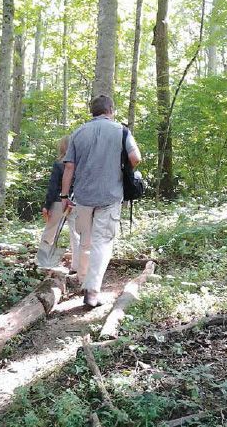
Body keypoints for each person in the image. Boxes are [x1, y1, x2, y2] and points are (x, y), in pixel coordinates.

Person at [61, 95, 141, 307]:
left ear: (92, 112)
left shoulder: (78, 133)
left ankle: (84, 280)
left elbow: (69, 167)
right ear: (111, 110)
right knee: (102, 242)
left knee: (85, 241)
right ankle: (92, 290)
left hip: (83, 197)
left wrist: (63, 196)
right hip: (110, 195)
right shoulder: (121, 131)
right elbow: (135, 158)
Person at [36, 136, 80, 273]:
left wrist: (46, 205)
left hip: (57, 201)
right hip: (77, 202)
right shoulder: (81, 164)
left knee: (50, 232)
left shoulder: (59, 164)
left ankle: (42, 262)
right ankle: (78, 266)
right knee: (76, 234)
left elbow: (53, 187)